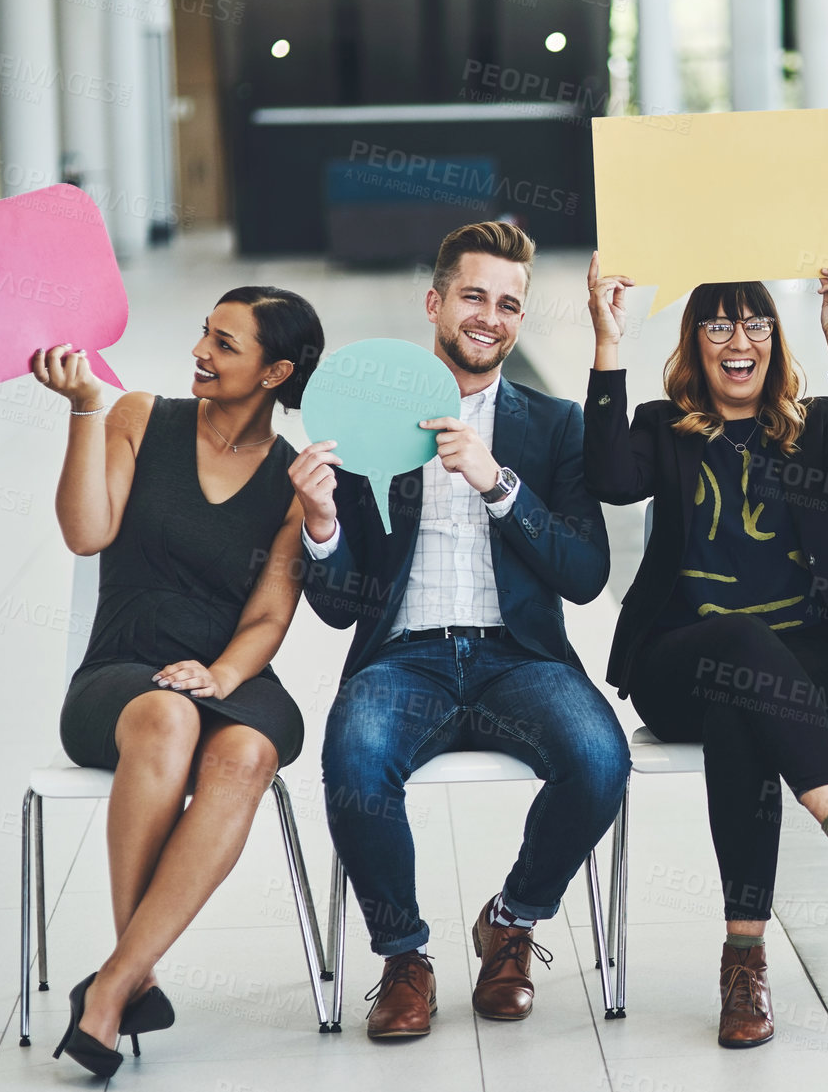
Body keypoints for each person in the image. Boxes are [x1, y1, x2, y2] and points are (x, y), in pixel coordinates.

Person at [292, 221, 627, 1040]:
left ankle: (510, 921)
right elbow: (340, 606)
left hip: (520, 658)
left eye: (508, 304)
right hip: (405, 660)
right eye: (474, 296)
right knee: (356, 757)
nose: (490, 316)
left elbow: (585, 575)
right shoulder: (371, 425)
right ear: (436, 302)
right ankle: (404, 957)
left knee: (598, 757)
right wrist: (322, 521)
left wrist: (499, 483)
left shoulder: (553, 426)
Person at [582, 251, 828, 1049]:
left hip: (812, 667)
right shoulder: (663, 427)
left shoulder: (814, 425)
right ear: (695, 342)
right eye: (719, 323)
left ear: (774, 338)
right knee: (736, 644)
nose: (740, 338)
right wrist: (607, 342)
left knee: (744, 696)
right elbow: (610, 480)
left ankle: (744, 961)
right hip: (677, 664)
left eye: (756, 321)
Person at [34, 287, 324, 1077]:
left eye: (226, 344)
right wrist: (84, 410)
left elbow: (269, 615)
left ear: (276, 371)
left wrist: (219, 673)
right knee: (167, 718)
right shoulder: (138, 416)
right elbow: (85, 531)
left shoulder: (293, 483)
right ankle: (128, 981)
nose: (201, 349)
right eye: (205, 331)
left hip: (228, 672)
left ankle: (119, 979)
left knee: (250, 752)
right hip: (122, 670)